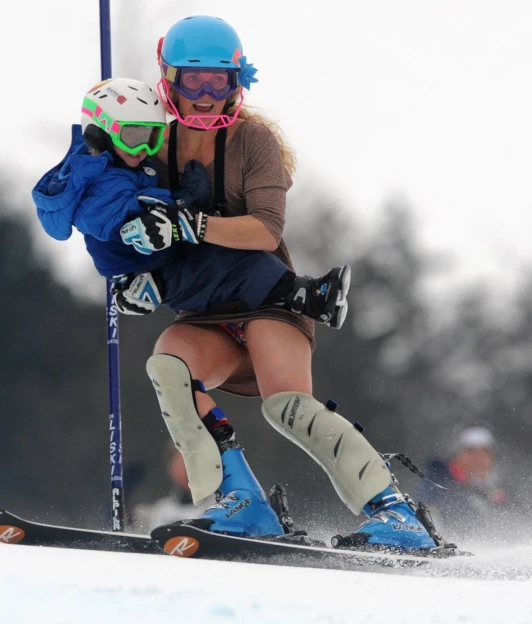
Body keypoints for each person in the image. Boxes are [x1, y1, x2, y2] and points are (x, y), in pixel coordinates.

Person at [112, 15, 452, 552]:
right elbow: (122, 225)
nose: (204, 95)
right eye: (191, 80)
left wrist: (189, 224)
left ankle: (395, 512)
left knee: (287, 406)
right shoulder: (152, 141)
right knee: (168, 366)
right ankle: (241, 503)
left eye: (218, 81)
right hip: (203, 314)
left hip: (268, 303)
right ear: (167, 78)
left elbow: (264, 229)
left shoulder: (253, 141)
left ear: (237, 80)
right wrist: (132, 281)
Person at [33, 77, 351, 326]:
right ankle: (307, 297)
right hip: (145, 265)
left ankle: (302, 297)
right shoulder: (92, 185)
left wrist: (185, 206)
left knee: (229, 254)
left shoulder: (114, 163)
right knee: (228, 264)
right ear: (99, 133)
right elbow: (130, 215)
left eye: (152, 136)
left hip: (160, 252)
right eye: (133, 136)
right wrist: (185, 202)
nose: (143, 148)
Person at [418, 425, 507, 533]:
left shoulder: (501, 488)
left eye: (484, 451)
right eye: (471, 451)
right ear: (458, 454)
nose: (478, 457)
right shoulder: (437, 483)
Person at [132, 441, 205, 531]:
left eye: (193, 463)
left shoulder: (218, 508)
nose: (187, 470)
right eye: (182, 463)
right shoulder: (162, 510)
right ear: (171, 468)